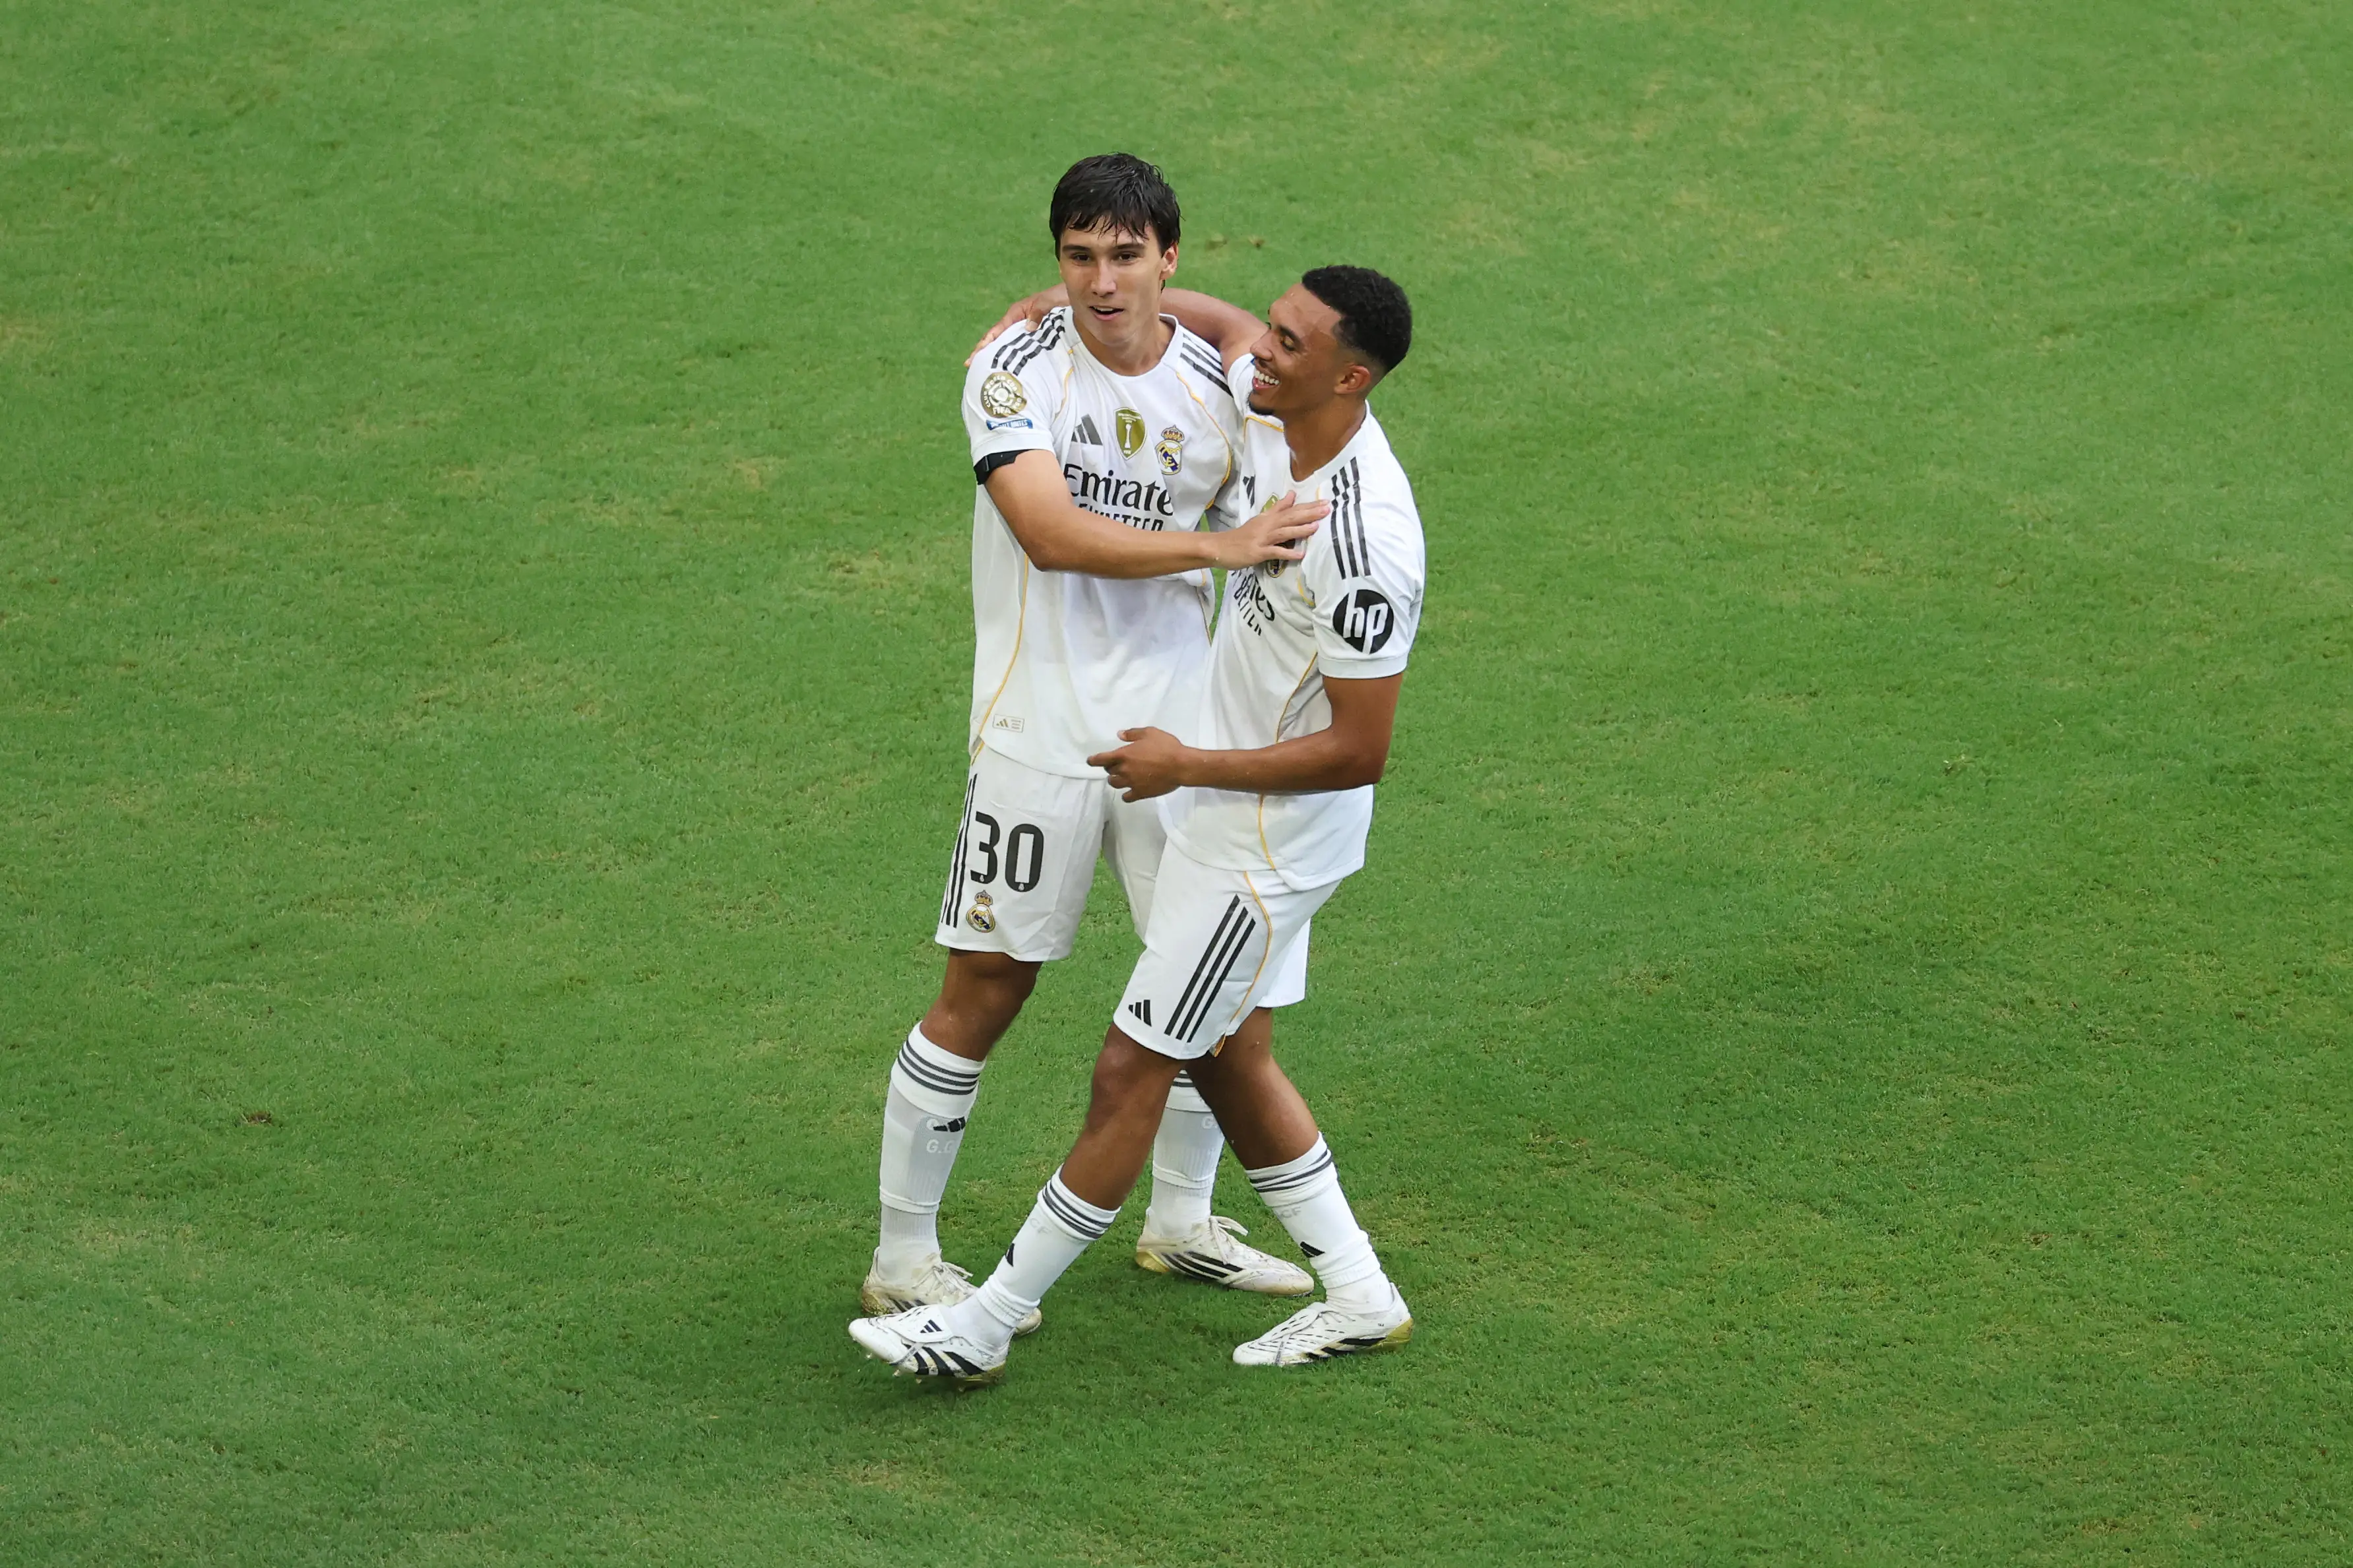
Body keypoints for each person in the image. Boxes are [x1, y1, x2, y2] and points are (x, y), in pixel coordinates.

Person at [852, 263, 1426, 1381]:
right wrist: (1051, 301)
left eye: (1290, 345)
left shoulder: (1364, 547)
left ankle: (978, 1331)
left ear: (1351, 377)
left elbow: (1364, 752)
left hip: (1259, 847)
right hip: (1214, 812)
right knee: (1224, 1056)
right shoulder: (1281, 424)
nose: (1256, 351)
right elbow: (1215, 322)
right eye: (1271, 329)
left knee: (1131, 1070)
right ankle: (1356, 1290)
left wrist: (1185, 762)